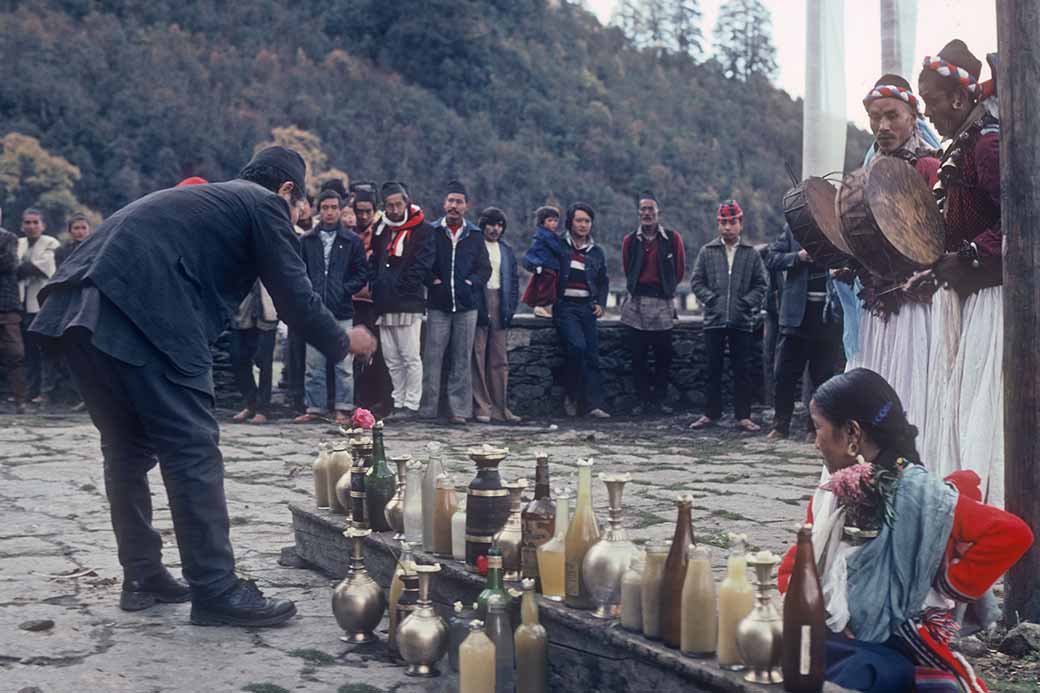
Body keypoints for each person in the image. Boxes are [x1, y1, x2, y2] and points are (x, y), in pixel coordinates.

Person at [29, 146, 376, 627]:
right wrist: (343, 340)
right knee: (192, 449)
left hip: (75, 311)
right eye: (299, 205)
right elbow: (294, 295)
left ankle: (143, 574)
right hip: (143, 312)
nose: (298, 215)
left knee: (126, 450)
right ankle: (215, 589)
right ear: (288, 189)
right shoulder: (263, 204)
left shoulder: (212, 201)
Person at [777, 368, 1032, 693]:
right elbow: (790, 572)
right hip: (837, 635)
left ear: (852, 432)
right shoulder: (832, 494)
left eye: (818, 428)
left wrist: (946, 583)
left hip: (897, 643)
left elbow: (1013, 533)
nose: (815, 443)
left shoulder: (921, 496)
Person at [916, 41, 1004, 506]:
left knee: (980, 404)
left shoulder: (988, 144)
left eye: (931, 100)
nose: (928, 112)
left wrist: (970, 255)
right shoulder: (964, 145)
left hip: (990, 297)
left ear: (957, 98)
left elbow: (1020, 220)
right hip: (967, 294)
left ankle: (986, 503)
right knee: (960, 401)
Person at [844, 74, 941, 449]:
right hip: (876, 308)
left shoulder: (929, 168)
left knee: (912, 391)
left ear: (913, 117)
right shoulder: (863, 178)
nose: (882, 126)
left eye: (892, 116)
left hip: (915, 308)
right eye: (874, 117)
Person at [688, 200, 767, 432]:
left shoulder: (750, 254)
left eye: (732, 222)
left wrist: (746, 303)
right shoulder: (707, 251)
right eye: (723, 223)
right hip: (714, 320)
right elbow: (696, 281)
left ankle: (743, 416)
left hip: (742, 321)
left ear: (740, 224)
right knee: (712, 369)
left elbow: (761, 285)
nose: (727, 228)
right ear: (718, 224)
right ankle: (710, 414)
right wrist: (711, 299)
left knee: (742, 369)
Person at [294, 190, 368, 425]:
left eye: (334, 207)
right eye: (324, 207)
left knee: (343, 363)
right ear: (318, 210)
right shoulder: (307, 240)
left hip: (342, 309)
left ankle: (343, 408)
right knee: (313, 363)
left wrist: (344, 289)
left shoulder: (351, 241)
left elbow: (362, 273)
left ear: (340, 209)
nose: (329, 212)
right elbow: (298, 271)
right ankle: (315, 407)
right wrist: (309, 293)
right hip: (315, 310)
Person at [420, 180, 491, 424]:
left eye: (458, 202)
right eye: (450, 201)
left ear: (466, 206)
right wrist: (433, 283)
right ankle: (428, 409)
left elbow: (485, 269)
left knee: (462, 360)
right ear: (444, 203)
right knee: (432, 358)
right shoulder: (431, 231)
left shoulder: (475, 235)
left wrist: (470, 284)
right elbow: (421, 264)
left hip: (466, 307)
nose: (454, 206)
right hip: (438, 306)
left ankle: (459, 410)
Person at [766, 224, 842, 441]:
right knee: (784, 375)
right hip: (795, 318)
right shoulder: (794, 229)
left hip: (826, 318)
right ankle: (781, 426)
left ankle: (815, 429)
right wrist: (798, 257)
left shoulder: (835, 229)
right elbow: (771, 258)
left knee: (823, 377)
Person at [369, 181, 435, 419]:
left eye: (399, 204)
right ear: (384, 206)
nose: (395, 209)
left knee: (410, 356)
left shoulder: (423, 229)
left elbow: (422, 264)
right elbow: (375, 259)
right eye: (390, 205)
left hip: (408, 301)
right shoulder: (381, 228)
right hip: (384, 302)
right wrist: (376, 285)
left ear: (407, 202)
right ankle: (397, 401)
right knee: (392, 357)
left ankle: (412, 403)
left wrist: (401, 287)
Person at [620, 191, 686, 415]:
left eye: (651, 209)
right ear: (639, 213)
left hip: (663, 301)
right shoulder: (630, 241)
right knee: (637, 356)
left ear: (659, 213)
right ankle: (642, 401)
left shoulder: (672, 238)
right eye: (643, 209)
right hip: (637, 302)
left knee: (663, 355)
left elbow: (679, 270)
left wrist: (666, 288)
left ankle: (658, 401)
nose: (647, 213)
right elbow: (628, 268)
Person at [554, 202, 610, 418]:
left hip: (587, 307)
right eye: (579, 220)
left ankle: (594, 405)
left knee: (592, 354)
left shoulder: (596, 251)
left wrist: (601, 304)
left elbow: (603, 281)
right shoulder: (559, 245)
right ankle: (571, 396)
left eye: (587, 221)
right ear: (570, 222)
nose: (583, 225)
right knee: (577, 348)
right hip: (565, 307)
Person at [472, 207, 521, 424]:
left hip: (500, 303)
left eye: (500, 225)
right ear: (483, 225)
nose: (495, 229)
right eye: (491, 224)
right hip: (480, 302)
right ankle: (482, 407)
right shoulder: (475, 246)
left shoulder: (506, 250)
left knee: (500, 359)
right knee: (478, 356)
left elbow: (514, 281)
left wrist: (510, 307)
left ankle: (501, 408)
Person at [350, 183, 393, 417]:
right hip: (353, 300)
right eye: (360, 211)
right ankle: (358, 401)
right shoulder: (349, 232)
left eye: (368, 211)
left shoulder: (381, 232)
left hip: (374, 301)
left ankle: (377, 401)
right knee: (356, 354)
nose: (363, 216)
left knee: (378, 353)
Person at [17, 208, 60, 404]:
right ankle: (29, 390)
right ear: (22, 225)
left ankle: (45, 391)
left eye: (35, 222)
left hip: (41, 304)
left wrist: (22, 267)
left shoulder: (51, 243)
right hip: (21, 303)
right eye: (27, 222)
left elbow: (44, 268)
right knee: (26, 352)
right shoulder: (18, 243)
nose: (31, 226)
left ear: (43, 225)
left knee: (43, 351)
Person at [229, 281, 278, 424]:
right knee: (237, 356)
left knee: (264, 360)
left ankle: (262, 409)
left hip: (267, 309)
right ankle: (251, 403)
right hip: (242, 310)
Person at [0, 221, 27, 414]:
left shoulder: (9, 238)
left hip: (7, 305)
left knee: (15, 353)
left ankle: (19, 401)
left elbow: (8, 263)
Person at [521, 206, 563, 319]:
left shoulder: (551, 236)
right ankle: (540, 307)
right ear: (542, 222)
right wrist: (537, 264)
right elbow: (532, 252)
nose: (553, 223)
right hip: (546, 267)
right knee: (545, 289)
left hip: (551, 266)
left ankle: (544, 308)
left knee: (549, 290)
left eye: (555, 220)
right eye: (550, 220)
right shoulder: (542, 236)